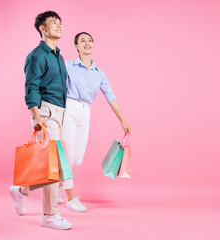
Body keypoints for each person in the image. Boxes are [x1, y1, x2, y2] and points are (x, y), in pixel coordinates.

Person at [9, 11, 72, 230]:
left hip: (60, 113)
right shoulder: (36, 55)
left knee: (54, 166)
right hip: (44, 112)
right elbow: (31, 86)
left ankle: (22, 190)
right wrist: (35, 115)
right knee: (53, 165)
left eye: (60, 22)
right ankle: (49, 215)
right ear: (43, 29)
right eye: (54, 23)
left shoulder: (59, 56)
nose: (59, 26)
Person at [58, 32, 131, 212]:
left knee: (78, 159)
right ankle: (71, 197)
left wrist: (123, 120)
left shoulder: (99, 73)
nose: (87, 43)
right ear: (76, 46)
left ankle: (59, 185)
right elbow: (57, 87)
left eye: (90, 40)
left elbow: (111, 97)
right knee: (67, 157)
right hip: (69, 108)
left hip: (85, 111)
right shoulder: (68, 66)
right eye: (82, 40)